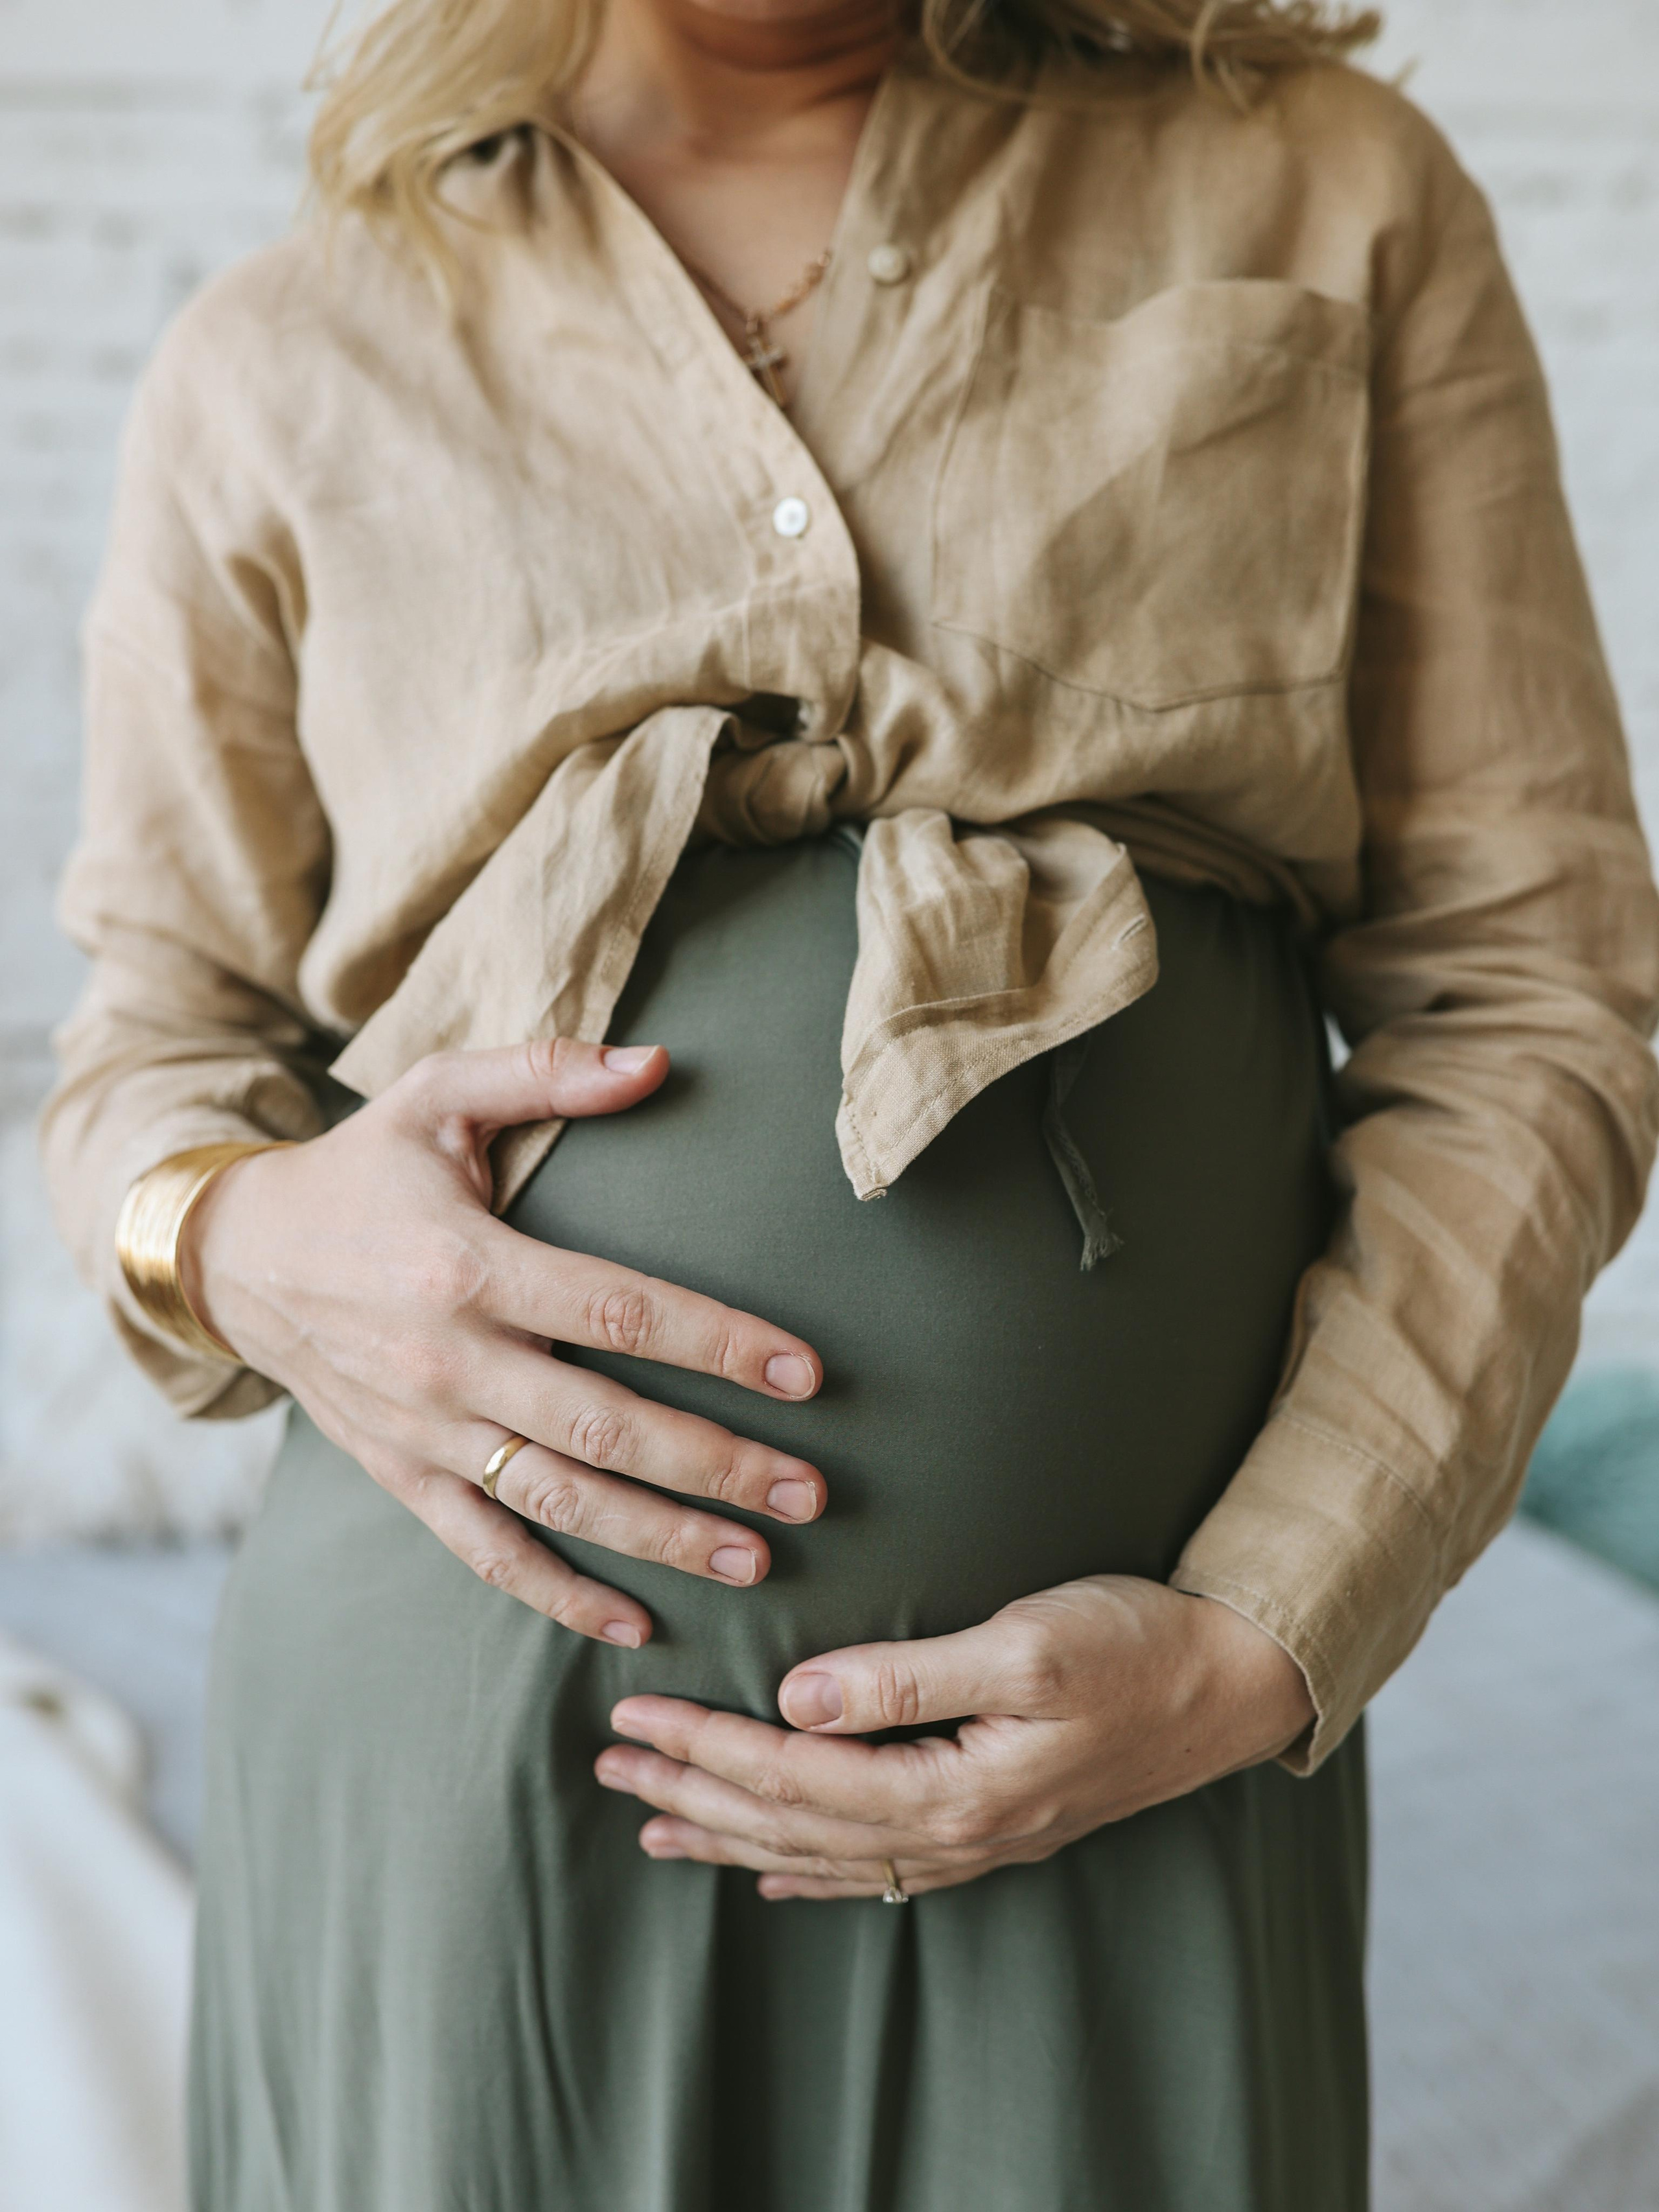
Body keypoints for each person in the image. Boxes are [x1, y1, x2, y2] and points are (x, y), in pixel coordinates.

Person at [43, 0, 1659, 2204]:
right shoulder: (288, 343)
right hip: (464, 1729)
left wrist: (1265, 1633)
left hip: (1139, 1749)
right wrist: (224, 1231)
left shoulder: (1332, 189)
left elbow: (1530, 988)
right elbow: (152, 1038)